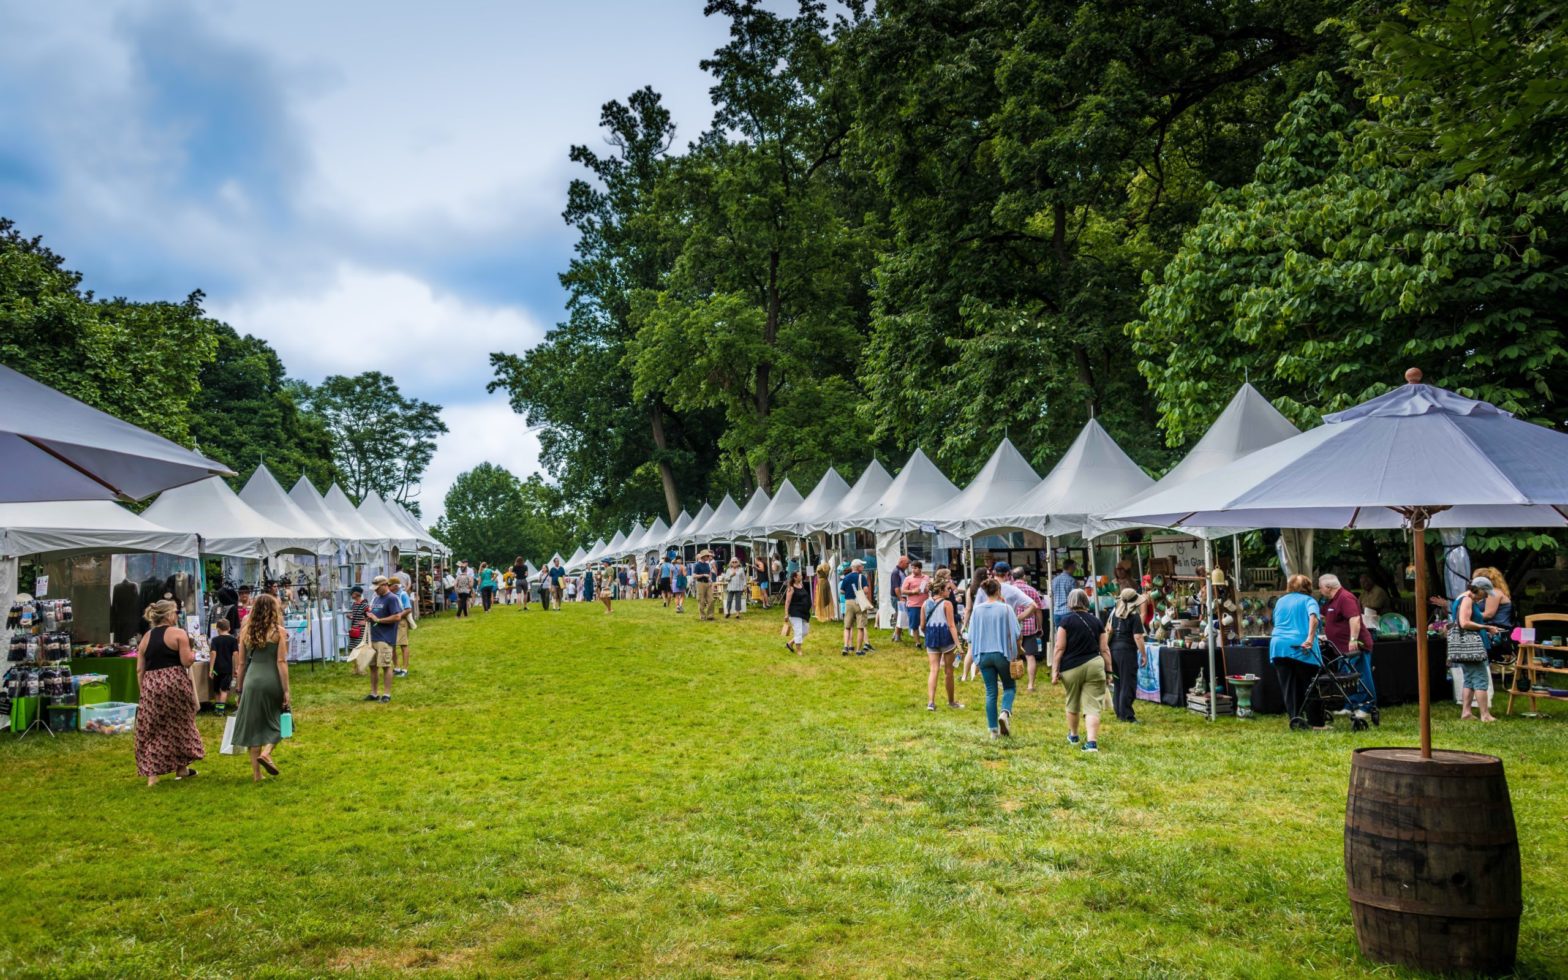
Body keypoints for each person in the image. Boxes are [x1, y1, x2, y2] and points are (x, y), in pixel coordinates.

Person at [133, 599, 204, 785]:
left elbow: (140, 669)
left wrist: (144, 690)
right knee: (181, 724)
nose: (177, 616)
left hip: (151, 684)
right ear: (168, 615)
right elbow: (187, 661)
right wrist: (194, 652)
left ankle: (153, 776)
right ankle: (181, 768)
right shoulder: (179, 634)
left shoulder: (146, 638)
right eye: (175, 613)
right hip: (174, 683)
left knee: (154, 728)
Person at [231, 593, 291, 782]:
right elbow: (281, 661)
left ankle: (257, 775)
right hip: (271, 678)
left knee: (254, 725)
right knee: (282, 720)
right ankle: (267, 752)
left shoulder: (246, 633)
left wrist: (239, 690)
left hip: (251, 680)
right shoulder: (278, 632)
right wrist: (286, 689)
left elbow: (240, 664)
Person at [1053, 588, 1111, 751]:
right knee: (1092, 706)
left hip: (1070, 668)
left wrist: (1054, 670)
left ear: (1070, 602)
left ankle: (1073, 735)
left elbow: (1059, 648)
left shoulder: (1065, 622)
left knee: (1072, 702)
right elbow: (1105, 649)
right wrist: (1109, 671)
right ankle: (1092, 742)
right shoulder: (1097, 622)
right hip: (1094, 665)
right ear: (1086, 602)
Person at [1270, 574, 1324, 730]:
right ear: (1307, 587)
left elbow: (1277, 621)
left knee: (1289, 686)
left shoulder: (1280, 601)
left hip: (1279, 646)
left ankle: (1296, 719)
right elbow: (1313, 618)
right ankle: (1316, 723)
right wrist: (1310, 638)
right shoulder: (1309, 600)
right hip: (1300, 647)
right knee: (1310, 685)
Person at [969, 579, 1021, 738]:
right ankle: (1005, 712)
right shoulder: (1006, 609)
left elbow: (970, 636)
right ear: (999, 590)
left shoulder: (977, 610)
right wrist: (1017, 652)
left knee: (991, 692)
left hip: (983, 655)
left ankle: (993, 730)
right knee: (1009, 686)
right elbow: (1017, 633)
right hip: (1002, 653)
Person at [1319, 574, 1374, 717]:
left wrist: (1353, 639)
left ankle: (1366, 707)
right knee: (1349, 678)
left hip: (1355, 646)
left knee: (1360, 675)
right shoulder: (1331, 601)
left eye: (1320, 587)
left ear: (1328, 587)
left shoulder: (1345, 597)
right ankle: (1350, 705)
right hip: (1342, 648)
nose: (1319, 590)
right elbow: (1327, 618)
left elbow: (1355, 619)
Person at [1450, 576, 1501, 722]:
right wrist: (1486, 627)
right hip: (1471, 646)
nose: (1485, 596)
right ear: (1477, 589)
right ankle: (1485, 715)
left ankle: (1466, 712)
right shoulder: (1467, 599)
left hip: (1463, 646)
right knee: (1480, 679)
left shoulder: (1461, 597)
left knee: (1469, 680)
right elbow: (1464, 623)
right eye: (1484, 593)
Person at [920, 578, 963, 711]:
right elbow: (951, 625)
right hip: (945, 636)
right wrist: (959, 645)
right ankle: (951, 701)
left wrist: (928, 633)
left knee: (934, 670)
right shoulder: (947, 604)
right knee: (948, 671)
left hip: (931, 636)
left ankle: (931, 702)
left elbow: (922, 625)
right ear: (941, 590)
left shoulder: (925, 604)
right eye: (948, 589)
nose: (949, 591)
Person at [1105, 588, 1146, 723]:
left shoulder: (1114, 614)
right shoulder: (1134, 616)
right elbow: (1138, 637)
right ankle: (1127, 715)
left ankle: (1119, 711)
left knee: (1118, 683)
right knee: (1128, 683)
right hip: (1127, 652)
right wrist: (1144, 654)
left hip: (1113, 650)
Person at [364, 576, 402, 703]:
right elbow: (375, 615)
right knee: (373, 667)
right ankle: (374, 693)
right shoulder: (376, 598)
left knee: (386, 666)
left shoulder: (392, 598)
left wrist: (379, 620)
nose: (375, 590)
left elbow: (397, 616)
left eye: (377, 588)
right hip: (373, 637)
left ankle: (386, 694)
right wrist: (369, 617)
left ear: (385, 585)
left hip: (385, 638)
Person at [1009, 568, 1047, 691]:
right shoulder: (1032, 590)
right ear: (1024, 577)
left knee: (1010, 656)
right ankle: (1030, 685)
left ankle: (1010, 681)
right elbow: (1038, 610)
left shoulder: (1009, 590)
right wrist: (1039, 626)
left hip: (1012, 626)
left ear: (1012, 577)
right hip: (1029, 627)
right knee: (1030, 656)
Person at [1472, 566, 1514, 653]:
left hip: (1496, 631)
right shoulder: (1489, 594)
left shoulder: (1493, 593)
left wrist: (1468, 616)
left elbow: (1488, 614)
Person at [840, 559, 872, 656]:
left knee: (847, 627)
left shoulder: (846, 577)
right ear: (858, 567)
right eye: (862, 566)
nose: (863, 567)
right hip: (859, 602)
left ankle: (846, 646)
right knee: (860, 627)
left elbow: (841, 591)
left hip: (848, 602)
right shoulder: (861, 577)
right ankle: (858, 650)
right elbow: (866, 591)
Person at [208, 617, 239, 716]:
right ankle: (221, 710)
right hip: (227, 669)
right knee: (224, 689)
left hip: (217, 669)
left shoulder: (215, 640)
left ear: (217, 629)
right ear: (229, 628)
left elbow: (213, 653)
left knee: (217, 689)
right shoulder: (233, 640)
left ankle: (217, 709)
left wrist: (211, 668)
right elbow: (235, 654)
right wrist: (237, 667)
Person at [900, 560, 930, 641]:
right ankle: (918, 643)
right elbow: (903, 591)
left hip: (925, 604)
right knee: (914, 625)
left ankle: (928, 639)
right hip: (913, 605)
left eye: (915, 568)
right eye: (912, 568)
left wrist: (928, 588)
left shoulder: (926, 577)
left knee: (925, 624)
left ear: (920, 569)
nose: (913, 570)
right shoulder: (908, 579)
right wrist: (913, 591)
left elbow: (929, 589)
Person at [784, 570, 812, 654]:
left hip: (804, 612)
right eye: (799, 575)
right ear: (795, 578)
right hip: (795, 612)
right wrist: (786, 614)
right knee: (798, 631)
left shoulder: (801, 585)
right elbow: (787, 602)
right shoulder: (791, 588)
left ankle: (790, 643)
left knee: (805, 631)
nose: (801, 576)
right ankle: (799, 650)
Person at [390, 577, 413, 677]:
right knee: (392, 645)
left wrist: (399, 615)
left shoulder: (403, 594)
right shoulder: (390, 595)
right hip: (391, 622)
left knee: (403, 645)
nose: (388, 587)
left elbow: (408, 609)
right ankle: (396, 667)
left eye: (389, 585)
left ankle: (405, 669)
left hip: (401, 622)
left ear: (395, 586)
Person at [1051, 559, 1078, 628]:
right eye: (1075, 566)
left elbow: (1052, 595)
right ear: (1071, 567)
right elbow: (1075, 598)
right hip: (1068, 612)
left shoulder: (1054, 580)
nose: (1075, 568)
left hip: (1056, 612)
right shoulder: (1072, 580)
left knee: (1060, 636)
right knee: (1070, 636)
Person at [889, 556, 910, 643]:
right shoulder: (896, 572)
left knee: (901, 616)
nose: (908, 565)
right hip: (897, 597)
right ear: (901, 562)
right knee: (900, 616)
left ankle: (896, 635)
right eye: (907, 563)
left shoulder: (901, 571)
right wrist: (900, 597)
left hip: (900, 597)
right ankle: (896, 636)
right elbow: (896, 587)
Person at [692, 550, 717, 620]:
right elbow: (694, 576)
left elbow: (709, 574)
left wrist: (710, 580)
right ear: (703, 556)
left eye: (709, 556)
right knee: (701, 600)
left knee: (711, 600)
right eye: (707, 556)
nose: (709, 557)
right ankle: (702, 616)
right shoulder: (697, 565)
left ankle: (710, 615)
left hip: (708, 583)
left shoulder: (707, 564)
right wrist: (703, 575)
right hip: (700, 583)